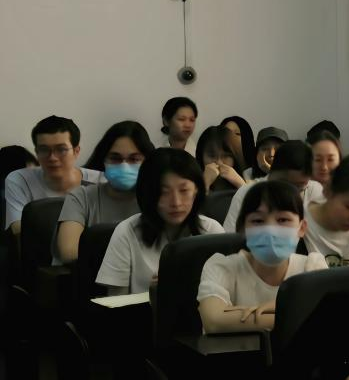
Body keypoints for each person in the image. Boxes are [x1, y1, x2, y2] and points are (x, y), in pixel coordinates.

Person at [197, 180, 326, 334]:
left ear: (302, 228)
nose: (270, 231)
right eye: (258, 221)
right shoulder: (221, 266)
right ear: (243, 229)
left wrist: (238, 315)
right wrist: (293, 313)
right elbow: (214, 321)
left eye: (282, 220)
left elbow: (325, 320)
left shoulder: (312, 267)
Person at [95, 149, 223, 295]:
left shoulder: (212, 232)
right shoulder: (127, 232)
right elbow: (116, 303)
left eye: (184, 190)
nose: (176, 203)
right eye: (164, 192)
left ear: (197, 191)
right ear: (149, 194)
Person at [55, 121, 153, 264]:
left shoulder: (155, 198)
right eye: (115, 158)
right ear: (103, 160)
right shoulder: (81, 197)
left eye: (134, 159)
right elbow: (69, 252)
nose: (124, 166)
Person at [5, 116, 104, 233]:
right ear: (36, 152)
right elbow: (19, 232)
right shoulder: (20, 179)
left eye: (61, 149)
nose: (52, 158)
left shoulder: (101, 181)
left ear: (76, 151)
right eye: (44, 149)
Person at [222, 140, 326, 232]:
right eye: (287, 185)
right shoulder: (246, 193)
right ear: (273, 175)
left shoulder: (313, 190)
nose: (291, 193)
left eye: (300, 187)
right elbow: (230, 239)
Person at [196, 126, 247, 192]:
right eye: (212, 156)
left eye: (226, 156)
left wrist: (240, 184)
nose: (219, 162)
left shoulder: (249, 182)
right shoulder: (189, 184)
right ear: (201, 157)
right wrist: (204, 183)